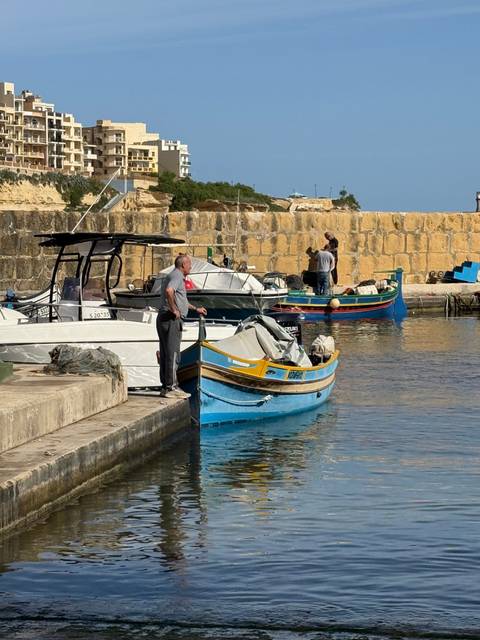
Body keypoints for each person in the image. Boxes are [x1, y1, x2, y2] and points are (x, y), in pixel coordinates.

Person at [157, 254, 207, 398]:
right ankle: (171, 388)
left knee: (166, 353)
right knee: (173, 354)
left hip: (164, 318)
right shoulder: (177, 276)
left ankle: (165, 386)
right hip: (171, 319)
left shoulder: (173, 275)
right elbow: (169, 291)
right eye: (189, 264)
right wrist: (173, 309)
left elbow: (181, 300)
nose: (191, 267)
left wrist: (195, 308)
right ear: (183, 265)